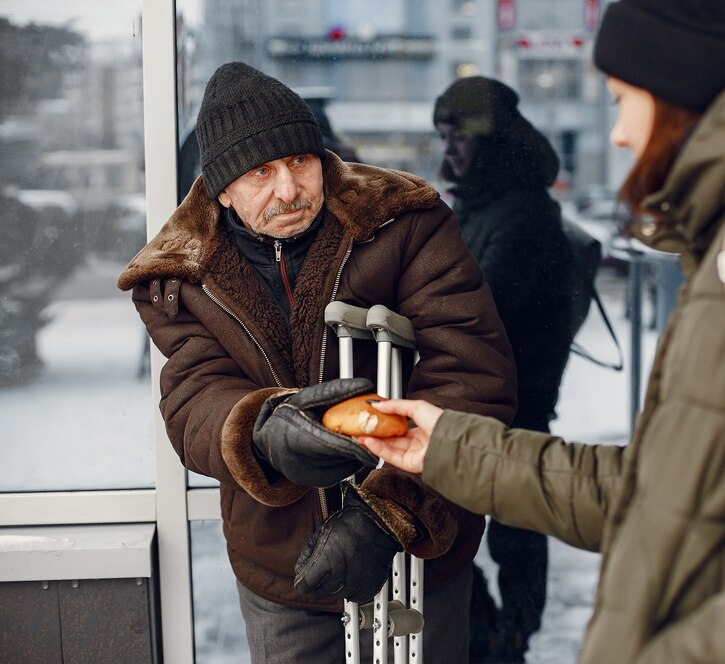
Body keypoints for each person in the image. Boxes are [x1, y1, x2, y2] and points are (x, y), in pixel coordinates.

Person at [358, 1, 725, 662]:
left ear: (684, 89)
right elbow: (661, 492)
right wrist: (446, 447)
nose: (618, 133)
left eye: (624, 99)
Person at [117, 62, 516, 664]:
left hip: (418, 547)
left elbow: (472, 374)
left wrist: (391, 513)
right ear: (222, 188)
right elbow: (193, 395)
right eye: (260, 172)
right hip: (282, 566)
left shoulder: (404, 221)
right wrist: (259, 428)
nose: (289, 188)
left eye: (300, 161)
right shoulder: (182, 276)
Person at [433, 77, 577, 662]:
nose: (449, 152)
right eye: (443, 138)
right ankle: (499, 634)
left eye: (457, 139)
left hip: (518, 398)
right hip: (495, 396)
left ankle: (509, 637)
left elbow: (475, 309)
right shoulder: (486, 203)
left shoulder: (518, 214)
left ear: (488, 142)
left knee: (514, 526)